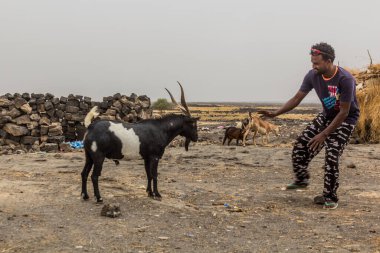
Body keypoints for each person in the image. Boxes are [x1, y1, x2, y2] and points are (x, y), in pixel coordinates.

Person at [259, 42, 360, 209]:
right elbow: (297, 98)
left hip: (346, 119)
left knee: (332, 155)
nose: (313, 66)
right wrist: (275, 113)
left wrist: (324, 135)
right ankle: (301, 180)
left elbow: (344, 112)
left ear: (328, 61)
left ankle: (330, 197)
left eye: (317, 63)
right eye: (312, 63)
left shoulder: (345, 79)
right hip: (327, 116)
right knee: (301, 145)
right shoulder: (312, 76)